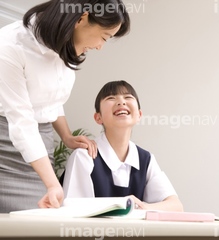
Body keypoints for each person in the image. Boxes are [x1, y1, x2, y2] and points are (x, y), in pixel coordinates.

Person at [0, 0, 130, 213]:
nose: (100, 46)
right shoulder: (10, 45)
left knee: (40, 219)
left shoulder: (65, 42)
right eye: (104, 37)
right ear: (82, 18)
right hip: (6, 144)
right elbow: (21, 122)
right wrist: (52, 184)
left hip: (41, 145)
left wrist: (67, 136)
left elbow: (50, 100)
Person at [62, 80, 183, 211]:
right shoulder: (83, 156)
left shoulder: (145, 159)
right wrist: (123, 204)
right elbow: (72, 209)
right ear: (98, 118)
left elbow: (176, 206)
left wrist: (142, 207)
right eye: (111, 98)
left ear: (139, 115)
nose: (121, 102)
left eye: (128, 97)